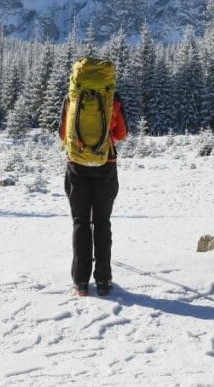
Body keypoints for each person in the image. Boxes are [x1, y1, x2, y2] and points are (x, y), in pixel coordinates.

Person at [60, 58, 128, 297]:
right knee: (102, 222)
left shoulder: (73, 97)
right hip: (105, 165)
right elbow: (121, 133)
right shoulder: (112, 98)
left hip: (76, 166)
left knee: (80, 222)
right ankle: (104, 281)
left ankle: (80, 283)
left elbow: (63, 135)